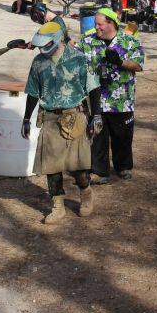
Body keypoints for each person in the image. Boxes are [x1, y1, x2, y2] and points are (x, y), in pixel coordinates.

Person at [21, 21, 102, 225]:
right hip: (49, 118)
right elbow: (32, 92)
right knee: (51, 167)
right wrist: (26, 118)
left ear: (57, 40)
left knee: (78, 169)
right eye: (40, 46)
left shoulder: (79, 59)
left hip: (74, 117)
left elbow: (93, 89)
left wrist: (96, 115)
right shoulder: (39, 63)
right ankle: (57, 206)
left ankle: (86, 194)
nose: (42, 49)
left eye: (46, 45)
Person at [77, 8, 145, 184]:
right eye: (95, 24)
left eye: (99, 24)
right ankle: (100, 171)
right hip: (95, 99)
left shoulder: (129, 41)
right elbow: (72, 56)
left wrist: (120, 62)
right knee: (97, 135)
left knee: (122, 136)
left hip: (121, 100)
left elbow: (138, 65)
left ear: (111, 24)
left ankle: (123, 167)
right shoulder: (88, 41)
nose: (96, 28)